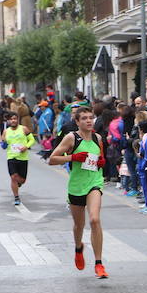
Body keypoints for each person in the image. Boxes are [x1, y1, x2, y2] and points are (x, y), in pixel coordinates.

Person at [48, 106, 109, 279]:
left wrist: (102, 162)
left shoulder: (98, 138)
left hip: (94, 183)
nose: (89, 121)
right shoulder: (71, 138)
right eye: (84, 118)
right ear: (77, 121)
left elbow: (101, 158)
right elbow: (52, 159)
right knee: (79, 225)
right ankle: (78, 248)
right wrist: (73, 157)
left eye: (91, 117)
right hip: (76, 186)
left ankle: (99, 264)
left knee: (95, 220)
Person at [1, 111, 35, 206]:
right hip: (11, 157)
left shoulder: (24, 129)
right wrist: (3, 144)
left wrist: (26, 146)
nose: (13, 121)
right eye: (11, 119)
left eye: (15, 119)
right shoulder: (6, 131)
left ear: (18, 120)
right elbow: (3, 144)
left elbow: (32, 140)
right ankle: (16, 197)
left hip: (23, 158)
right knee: (13, 177)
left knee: (22, 180)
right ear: (9, 121)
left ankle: (19, 183)